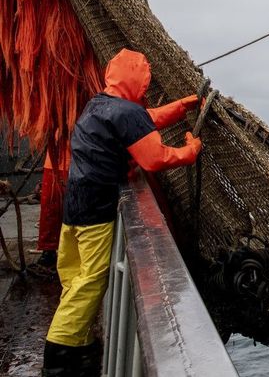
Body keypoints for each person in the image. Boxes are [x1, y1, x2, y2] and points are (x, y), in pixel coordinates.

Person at [42, 49, 203, 376]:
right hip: (96, 211)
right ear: (138, 80)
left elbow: (141, 122)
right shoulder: (126, 112)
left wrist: (179, 108)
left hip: (74, 207)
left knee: (73, 276)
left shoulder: (99, 103)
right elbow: (154, 158)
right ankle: (59, 360)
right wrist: (190, 151)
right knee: (91, 280)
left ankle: (82, 345)